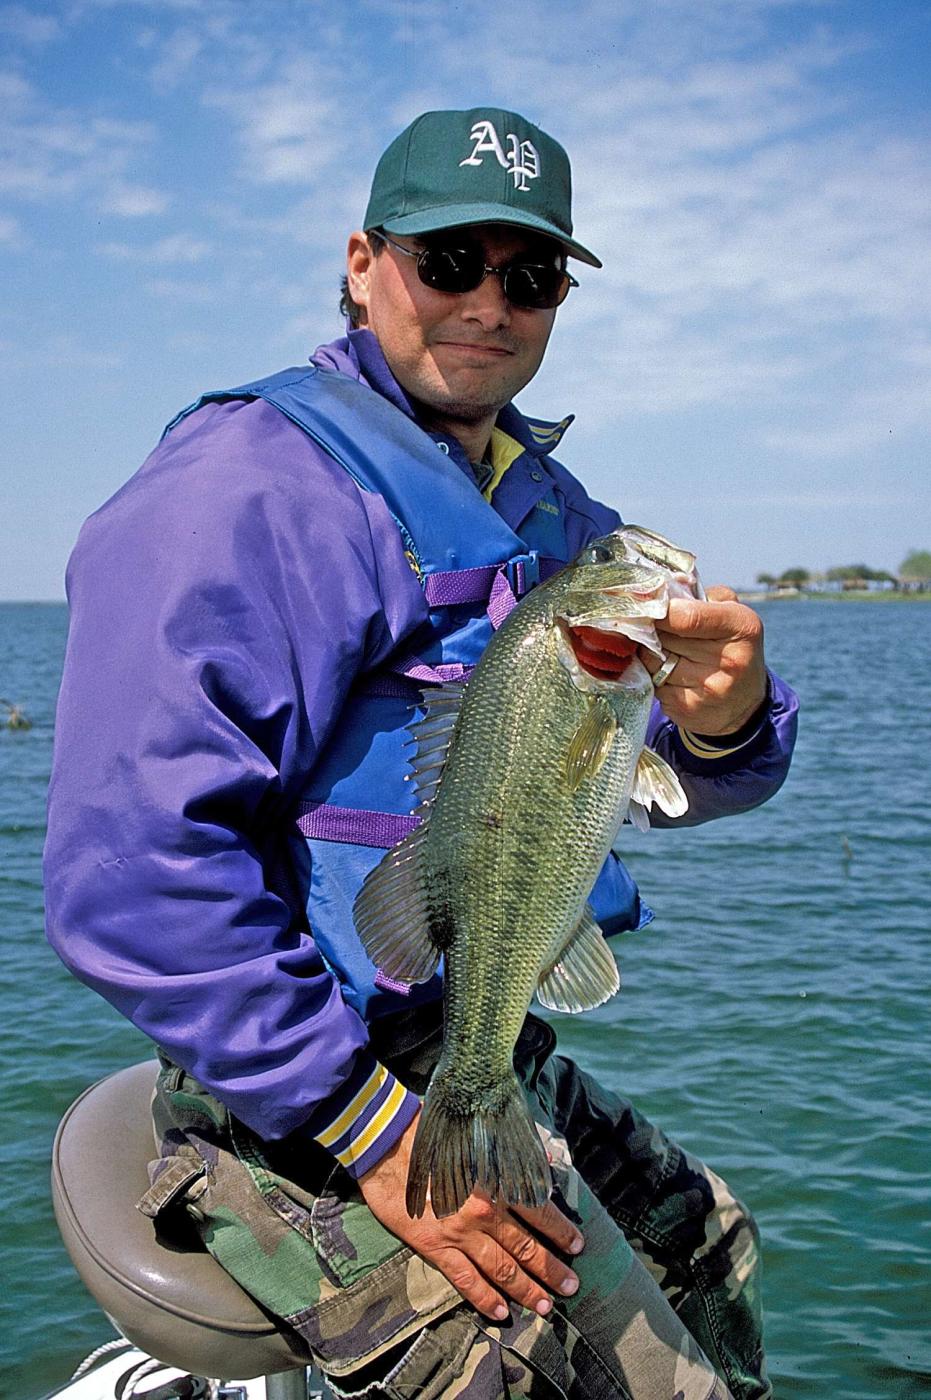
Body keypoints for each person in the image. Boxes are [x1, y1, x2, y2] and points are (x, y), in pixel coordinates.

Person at [46, 107, 798, 1399]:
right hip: (291, 1081)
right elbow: (132, 875)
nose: (490, 305)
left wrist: (727, 720)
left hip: (480, 1036)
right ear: (360, 260)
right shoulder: (245, 492)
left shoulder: (544, 510)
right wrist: (374, 1132)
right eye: (450, 262)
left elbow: (657, 771)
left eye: (532, 276)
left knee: (708, 1244)